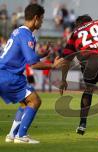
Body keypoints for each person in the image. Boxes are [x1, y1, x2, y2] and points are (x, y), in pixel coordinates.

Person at [0, 4, 63, 144]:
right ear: (36, 18)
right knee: (35, 101)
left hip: (4, 73)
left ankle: (11, 135)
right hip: (8, 75)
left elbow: (27, 57)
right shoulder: (26, 35)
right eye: (41, 19)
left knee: (25, 103)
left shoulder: (18, 32)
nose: (41, 22)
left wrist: (43, 54)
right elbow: (32, 64)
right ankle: (21, 136)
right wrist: (53, 65)